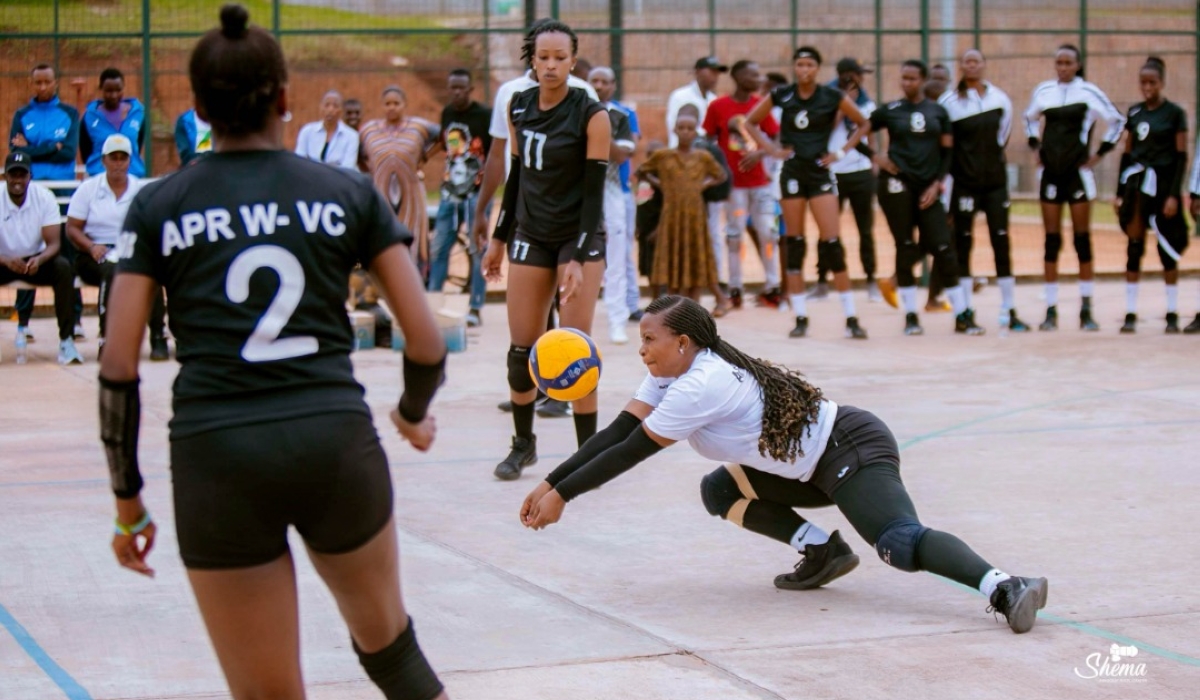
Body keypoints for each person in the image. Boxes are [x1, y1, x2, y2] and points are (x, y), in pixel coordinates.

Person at [98, 7, 450, 700]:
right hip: (333, 442)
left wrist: (128, 502)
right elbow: (427, 337)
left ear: (198, 110)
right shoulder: (344, 192)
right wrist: (412, 413)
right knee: (394, 656)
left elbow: (117, 366)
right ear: (285, 99)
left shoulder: (158, 204)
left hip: (217, 454)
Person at [519, 295, 1050, 634]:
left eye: (648, 340)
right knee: (720, 492)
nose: (642, 350)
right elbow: (616, 431)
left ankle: (1005, 586)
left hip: (848, 451)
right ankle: (822, 552)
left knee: (900, 544)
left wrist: (563, 497)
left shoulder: (701, 383)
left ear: (682, 342)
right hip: (805, 468)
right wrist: (549, 480)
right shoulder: (671, 371)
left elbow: (631, 451)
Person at [480, 19, 611, 481]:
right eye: (543, 57)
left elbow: (595, 196)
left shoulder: (592, 114)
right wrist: (499, 237)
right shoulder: (518, 105)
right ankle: (523, 444)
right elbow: (516, 179)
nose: (551, 65)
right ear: (531, 61)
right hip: (531, 234)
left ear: (574, 61)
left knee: (575, 348)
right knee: (522, 349)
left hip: (579, 236)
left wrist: (576, 257)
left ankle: (587, 454)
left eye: (560, 58)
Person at [745, 46, 871, 340]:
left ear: (817, 69)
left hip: (819, 172)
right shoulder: (782, 95)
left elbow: (864, 123)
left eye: (810, 65)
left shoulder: (830, 96)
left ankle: (851, 316)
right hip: (792, 172)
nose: (804, 70)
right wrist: (772, 150)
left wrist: (840, 152)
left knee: (832, 243)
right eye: (799, 64)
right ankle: (800, 316)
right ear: (794, 68)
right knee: (795, 242)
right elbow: (750, 122)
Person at [866, 59, 981, 336]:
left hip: (928, 189)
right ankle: (910, 316)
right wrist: (877, 159)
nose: (907, 83)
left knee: (943, 246)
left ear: (923, 80)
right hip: (896, 187)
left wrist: (936, 184)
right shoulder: (891, 110)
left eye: (913, 78)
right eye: (903, 78)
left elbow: (947, 154)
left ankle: (962, 314)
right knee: (905, 247)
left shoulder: (938, 113)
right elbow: (858, 132)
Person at [1024, 44, 1124, 332]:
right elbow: (1028, 119)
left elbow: (1117, 120)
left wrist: (1100, 153)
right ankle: (1051, 310)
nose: (1063, 67)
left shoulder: (1089, 93)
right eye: (1059, 62)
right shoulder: (1044, 92)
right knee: (1051, 241)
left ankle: (1086, 308)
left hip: (1078, 175)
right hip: (1051, 175)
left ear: (1078, 65)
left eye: (1068, 63)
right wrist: (1035, 148)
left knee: (1082, 240)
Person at [939, 50, 1030, 332]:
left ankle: (1009, 309)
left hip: (994, 182)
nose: (972, 65)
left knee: (1001, 241)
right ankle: (964, 312)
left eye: (976, 60)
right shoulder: (949, 103)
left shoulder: (1000, 99)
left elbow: (1002, 136)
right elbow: (947, 145)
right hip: (964, 184)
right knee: (963, 244)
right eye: (966, 61)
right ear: (961, 67)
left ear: (984, 65)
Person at [65, 134, 168, 359]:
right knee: (111, 272)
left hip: (130, 250)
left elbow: (151, 227)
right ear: (104, 161)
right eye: (114, 158)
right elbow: (72, 228)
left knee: (152, 273)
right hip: (94, 253)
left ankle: (158, 336)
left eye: (123, 158)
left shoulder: (140, 191)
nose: (118, 163)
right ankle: (107, 339)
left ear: (130, 161)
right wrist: (91, 246)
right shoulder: (88, 189)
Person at [1115, 57, 1189, 334]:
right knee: (1134, 247)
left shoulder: (1174, 114)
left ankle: (1171, 313)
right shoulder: (1134, 113)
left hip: (1163, 186)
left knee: (1166, 250)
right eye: (1143, 82)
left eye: (1152, 82)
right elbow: (1126, 154)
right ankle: (1130, 313)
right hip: (1137, 188)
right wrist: (1120, 193)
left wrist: (1173, 196)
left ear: (1162, 83)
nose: (1147, 87)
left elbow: (1181, 157)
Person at [9, 63, 81, 346]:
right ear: (32, 84)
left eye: (46, 82)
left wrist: (31, 148)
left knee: (66, 255)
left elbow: (69, 152)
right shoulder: (22, 115)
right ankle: (22, 322)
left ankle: (74, 319)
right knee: (27, 251)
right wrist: (53, 146)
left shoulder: (69, 114)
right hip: (31, 193)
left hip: (62, 195)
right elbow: (16, 153)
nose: (42, 87)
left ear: (55, 83)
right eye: (37, 82)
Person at [702, 60, 782, 311]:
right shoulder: (718, 106)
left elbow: (776, 135)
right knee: (734, 235)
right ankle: (735, 287)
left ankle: (772, 286)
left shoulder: (761, 105)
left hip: (759, 182)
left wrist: (761, 154)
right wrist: (718, 165)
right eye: (752, 74)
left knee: (768, 232)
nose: (758, 79)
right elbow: (708, 139)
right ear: (737, 77)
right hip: (733, 184)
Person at [636, 107, 727, 304]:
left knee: (695, 254)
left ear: (696, 132)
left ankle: (694, 304)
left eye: (690, 128)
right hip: (671, 214)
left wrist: (702, 186)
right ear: (675, 130)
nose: (685, 132)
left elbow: (721, 175)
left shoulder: (703, 157)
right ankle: (673, 303)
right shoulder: (664, 156)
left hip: (695, 214)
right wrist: (661, 185)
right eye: (681, 128)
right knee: (672, 255)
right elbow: (642, 170)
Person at [0, 152, 81, 364]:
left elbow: (54, 243)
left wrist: (40, 259)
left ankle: (66, 342)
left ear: (30, 177)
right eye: (12, 174)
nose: (17, 180)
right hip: (3, 261)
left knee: (63, 269)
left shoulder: (44, 197)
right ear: (5, 177)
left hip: (35, 262)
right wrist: (6, 260)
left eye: (22, 174)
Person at [426, 68, 491, 328]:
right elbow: (444, 144)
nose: (456, 92)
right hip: (449, 194)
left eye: (461, 88)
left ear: (470, 89)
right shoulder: (447, 113)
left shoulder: (484, 115)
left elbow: (495, 153)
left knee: (478, 251)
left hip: (477, 195)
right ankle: (432, 304)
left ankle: (475, 307)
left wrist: (486, 197)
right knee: (440, 248)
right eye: (452, 87)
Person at [817, 57, 880, 303]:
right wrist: (844, 105)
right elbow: (824, 130)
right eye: (858, 74)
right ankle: (822, 280)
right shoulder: (827, 98)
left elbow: (870, 131)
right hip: (833, 171)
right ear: (846, 75)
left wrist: (873, 162)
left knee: (866, 229)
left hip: (860, 171)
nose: (861, 79)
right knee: (828, 232)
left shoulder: (867, 101)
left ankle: (871, 279)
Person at [359, 85, 440, 272]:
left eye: (396, 103)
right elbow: (358, 153)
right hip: (381, 194)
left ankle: (415, 282)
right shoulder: (369, 130)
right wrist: (371, 169)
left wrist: (426, 157)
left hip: (411, 194)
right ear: (382, 106)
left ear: (404, 105)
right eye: (387, 103)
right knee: (382, 237)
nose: (392, 107)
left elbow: (447, 136)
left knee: (412, 237)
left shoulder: (418, 127)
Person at [588, 66, 637, 344]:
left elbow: (620, 154)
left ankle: (617, 320)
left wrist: (596, 130)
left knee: (616, 256)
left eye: (605, 82)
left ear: (613, 85)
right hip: (580, 188)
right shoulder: (575, 109)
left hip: (612, 189)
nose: (600, 86)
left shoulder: (622, 115)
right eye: (595, 81)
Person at [79, 67, 148, 178]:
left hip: (133, 178)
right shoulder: (89, 117)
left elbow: (138, 146)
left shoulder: (137, 114)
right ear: (100, 89)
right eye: (109, 91)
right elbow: (86, 152)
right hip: (99, 179)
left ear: (123, 88)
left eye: (118, 90)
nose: (114, 95)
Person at [294, 89, 360, 170]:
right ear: (320, 107)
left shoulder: (351, 136)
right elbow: (299, 161)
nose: (330, 110)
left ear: (341, 110)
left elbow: (347, 168)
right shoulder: (307, 131)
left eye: (335, 106)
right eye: (326, 105)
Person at [342, 97, 371, 173]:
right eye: (349, 113)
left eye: (357, 113)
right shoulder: (337, 136)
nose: (353, 116)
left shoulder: (365, 135)